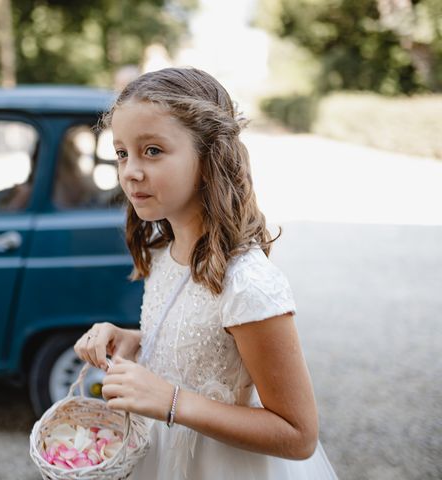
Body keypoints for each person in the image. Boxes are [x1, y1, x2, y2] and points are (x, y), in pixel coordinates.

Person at [74, 67, 338, 479]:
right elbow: (209, 353)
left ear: (208, 157)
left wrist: (171, 402)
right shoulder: (166, 250)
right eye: (122, 153)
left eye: (153, 151)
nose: (130, 171)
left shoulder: (248, 283)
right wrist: (137, 343)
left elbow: (299, 435)